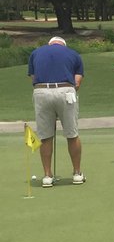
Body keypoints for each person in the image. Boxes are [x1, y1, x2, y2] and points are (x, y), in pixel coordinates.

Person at [27, 35, 85, 186]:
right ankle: (77, 173)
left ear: (50, 44)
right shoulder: (73, 54)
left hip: (41, 91)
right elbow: (77, 82)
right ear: (63, 45)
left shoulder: (36, 53)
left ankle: (47, 176)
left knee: (45, 136)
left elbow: (33, 78)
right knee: (72, 134)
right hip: (66, 91)